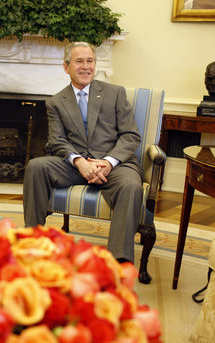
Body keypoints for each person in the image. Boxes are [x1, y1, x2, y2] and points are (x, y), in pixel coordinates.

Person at [23, 42, 143, 263]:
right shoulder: (56, 102)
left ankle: (120, 261)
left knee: (131, 185)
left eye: (90, 61)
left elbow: (130, 136)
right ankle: (32, 245)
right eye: (79, 61)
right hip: (76, 166)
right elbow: (57, 140)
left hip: (115, 165)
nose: (86, 66)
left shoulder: (115, 93)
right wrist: (79, 162)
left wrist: (108, 162)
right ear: (66, 67)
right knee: (36, 167)